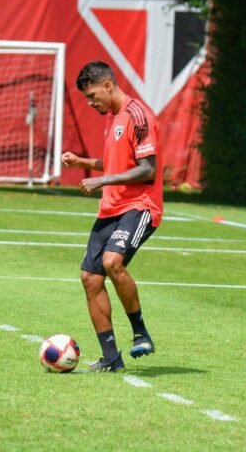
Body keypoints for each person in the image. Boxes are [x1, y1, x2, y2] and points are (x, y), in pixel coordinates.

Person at [61, 61, 163, 373]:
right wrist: (83, 162)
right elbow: (116, 162)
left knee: (112, 262)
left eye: (92, 96)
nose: (91, 103)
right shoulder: (114, 117)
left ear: (108, 85)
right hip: (111, 209)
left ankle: (140, 333)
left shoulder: (138, 115)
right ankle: (110, 359)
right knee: (90, 278)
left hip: (140, 206)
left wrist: (101, 181)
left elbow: (147, 169)